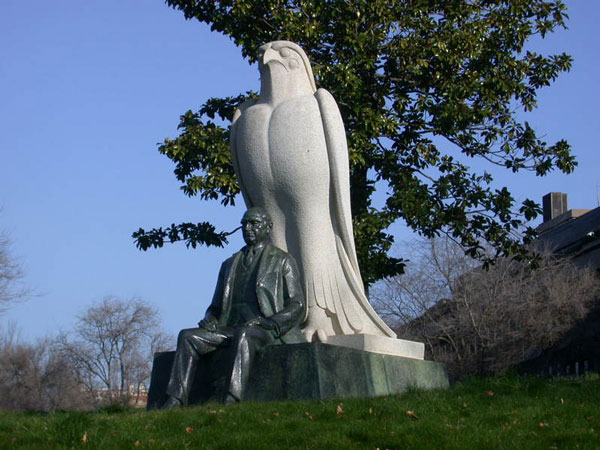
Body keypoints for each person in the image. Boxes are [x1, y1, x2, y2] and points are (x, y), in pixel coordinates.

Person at [161, 207, 305, 408]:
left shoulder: (283, 260)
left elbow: (297, 304)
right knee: (187, 336)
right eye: (244, 224)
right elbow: (215, 306)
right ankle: (175, 399)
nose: (248, 228)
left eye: (254, 223)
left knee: (244, 334)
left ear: (268, 227)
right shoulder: (229, 264)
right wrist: (210, 318)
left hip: (264, 329)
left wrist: (271, 322)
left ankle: (231, 398)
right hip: (229, 328)